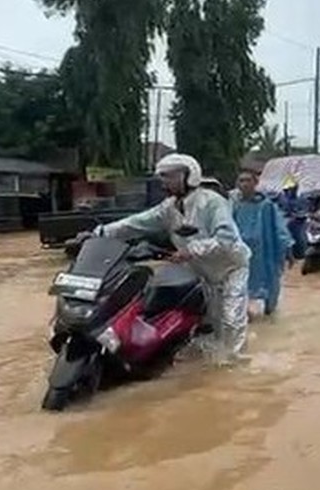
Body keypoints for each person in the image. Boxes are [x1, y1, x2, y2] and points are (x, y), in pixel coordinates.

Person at [91, 154, 252, 363]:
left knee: (231, 319)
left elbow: (226, 238)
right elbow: (136, 223)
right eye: (164, 177)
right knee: (215, 323)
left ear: (189, 175)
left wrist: (191, 250)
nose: (165, 182)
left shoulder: (212, 202)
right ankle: (216, 361)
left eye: (170, 177)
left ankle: (235, 366)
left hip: (231, 268)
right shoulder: (168, 208)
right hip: (203, 273)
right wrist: (100, 232)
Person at [229, 169, 293, 317]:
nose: (244, 184)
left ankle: (270, 311)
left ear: (256, 183)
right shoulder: (233, 205)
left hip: (264, 250)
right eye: (241, 180)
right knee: (240, 282)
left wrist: (288, 248)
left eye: (248, 180)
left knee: (269, 279)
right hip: (241, 251)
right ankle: (244, 313)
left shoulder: (266, 205)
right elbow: (226, 226)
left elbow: (279, 228)